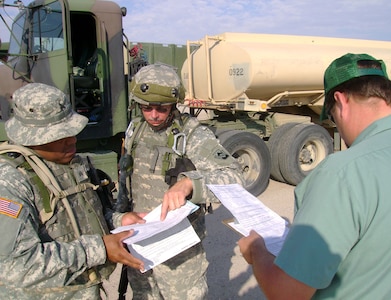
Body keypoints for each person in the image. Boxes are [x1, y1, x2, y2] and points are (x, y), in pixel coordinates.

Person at [238, 53, 391, 299]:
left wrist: (257, 250)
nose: (341, 132)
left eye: (333, 119)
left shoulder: (343, 173)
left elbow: (287, 292)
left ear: (341, 101)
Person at [0, 83, 146, 299]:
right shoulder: (10, 182)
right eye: (59, 135)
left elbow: (81, 216)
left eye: (71, 131)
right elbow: (16, 265)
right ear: (30, 137)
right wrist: (99, 249)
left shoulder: (69, 163)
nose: (72, 140)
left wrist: (118, 220)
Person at [116, 63, 244, 299]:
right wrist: (119, 221)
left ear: (174, 104)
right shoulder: (135, 130)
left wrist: (189, 184)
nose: (153, 115)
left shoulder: (192, 134)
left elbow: (235, 177)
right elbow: (126, 181)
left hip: (179, 252)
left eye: (161, 108)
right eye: (146, 107)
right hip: (140, 242)